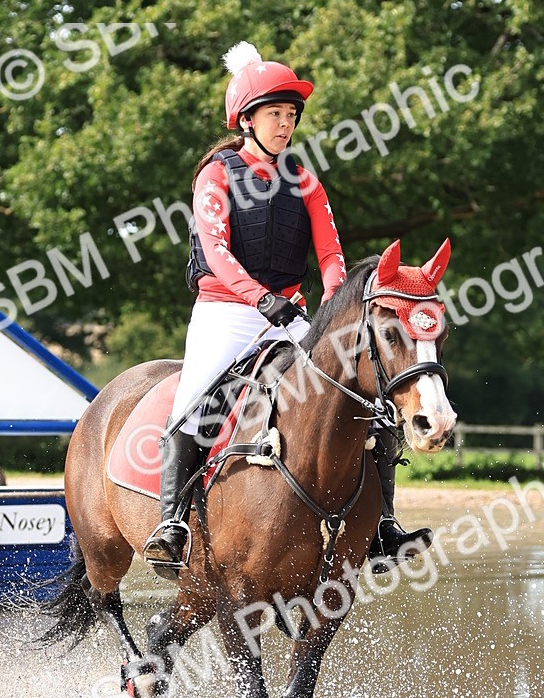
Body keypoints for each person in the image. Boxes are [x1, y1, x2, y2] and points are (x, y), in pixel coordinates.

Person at [143, 42, 433, 577]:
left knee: (366, 399)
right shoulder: (216, 175)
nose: (285, 124)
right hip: (227, 312)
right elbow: (217, 253)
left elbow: (329, 252)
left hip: (292, 312)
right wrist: (261, 299)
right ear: (247, 119)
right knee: (196, 400)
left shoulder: (304, 179)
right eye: (275, 114)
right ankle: (173, 522)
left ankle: (383, 523)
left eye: (291, 115)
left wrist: (333, 308)